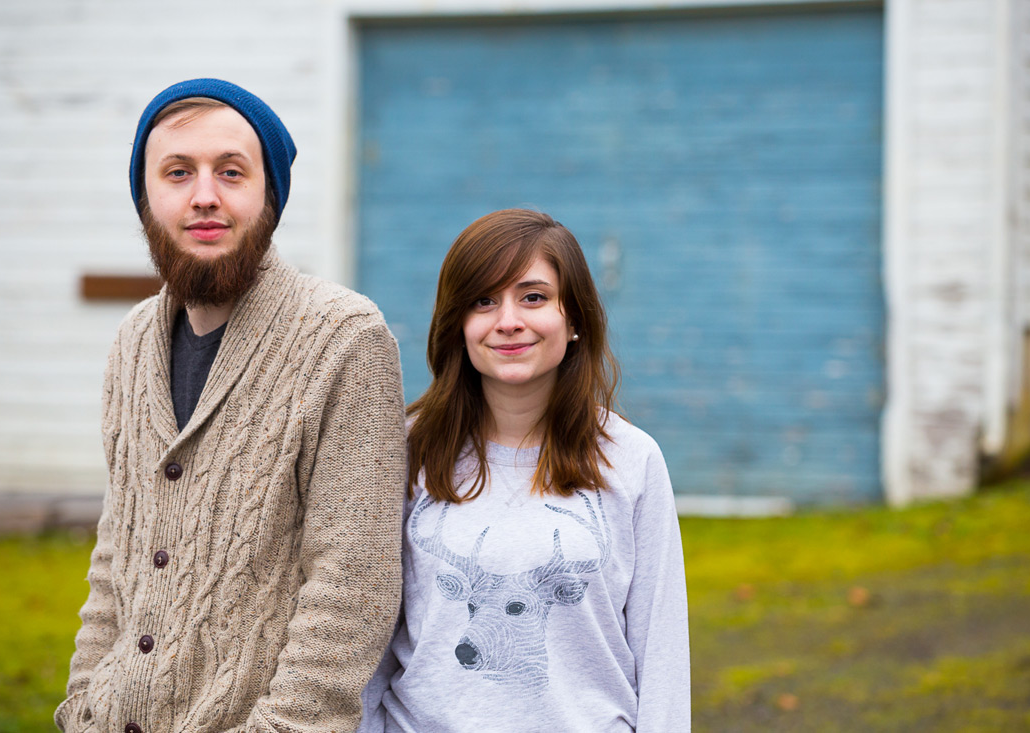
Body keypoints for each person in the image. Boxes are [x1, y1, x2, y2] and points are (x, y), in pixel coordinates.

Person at [56, 79, 406, 732]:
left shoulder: (344, 337)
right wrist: (83, 704)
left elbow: (353, 590)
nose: (205, 195)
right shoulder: (132, 341)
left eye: (231, 171)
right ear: (145, 198)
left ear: (269, 195)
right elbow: (116, 558)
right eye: (178, 172)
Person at [360, 209, 690, 732]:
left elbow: (662, 647)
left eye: (533, 297)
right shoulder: (401, 451)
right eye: (483, 301)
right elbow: (364, 637)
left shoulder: (630, 459)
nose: (508, 321)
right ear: (458, 325)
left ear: (574, 318)